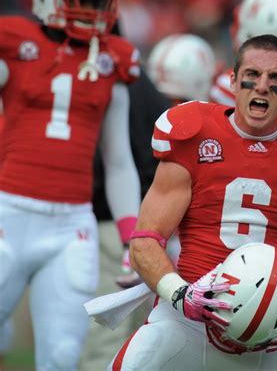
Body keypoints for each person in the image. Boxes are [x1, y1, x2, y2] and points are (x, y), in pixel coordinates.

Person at [109, 34, 277, 370]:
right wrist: (182, 296)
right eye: (252, 74)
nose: (262, 86)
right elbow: (145, 241)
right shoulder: (195, 132)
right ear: (234, 81)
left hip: (272, 326)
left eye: (276, 79)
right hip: (188, 319)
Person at [0, 0, 141, 370]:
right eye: (80, 0)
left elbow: (118, 162)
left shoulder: (111, 63)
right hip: (9, 211)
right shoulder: (17, 47)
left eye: (99, 2)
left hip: (70, 225)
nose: (92, 12)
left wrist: (132, 235)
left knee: (62, 357)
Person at [79, 68, 171, 371]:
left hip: (110, 223)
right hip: (156, 226)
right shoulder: (143, 83)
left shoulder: (106, 77)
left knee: (106, 337)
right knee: (140, 339)